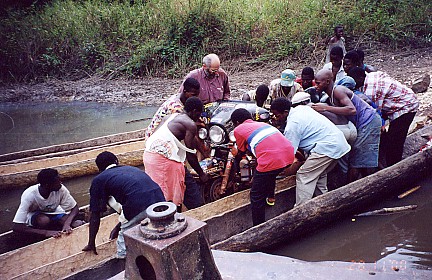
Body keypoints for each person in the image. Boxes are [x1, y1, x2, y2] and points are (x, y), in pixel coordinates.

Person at [82, 151, 165, 258]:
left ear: (100, 169)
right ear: (116, 161)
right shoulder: (131, 168)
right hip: (160, 200)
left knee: (124, 249)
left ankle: (123, 260)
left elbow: (95, 215)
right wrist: (119, 226)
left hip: (138, 205)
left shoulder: (99, 179)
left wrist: (91, 242)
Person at [270, 98, 350, 206]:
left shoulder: (293, 125)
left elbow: (288, 154)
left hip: (327, 147)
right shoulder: (301, 109)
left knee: (304, 175)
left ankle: (301, 210)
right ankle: (325, 204)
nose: (276, 118)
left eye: (277, 115)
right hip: (337, 143)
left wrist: (275, 171)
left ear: (285, 112)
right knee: (319, 174)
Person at [144, 77, 205, 210]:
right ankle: (194, 209)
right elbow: (190, 154)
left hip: (151, 150)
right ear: (194, 112)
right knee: (178, 181)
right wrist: (202, 174)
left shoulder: (178, 115)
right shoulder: (176, 109)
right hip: (161, 153)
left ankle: (175, 209)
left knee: (164, 187)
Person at [312, 69, 382, 182]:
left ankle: (350, 186)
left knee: (357, 156)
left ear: (328, 81)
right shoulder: (329, 96)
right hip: (363, 123)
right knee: (364, 155)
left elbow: (351, 110)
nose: (316, 86)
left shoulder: (338, 91)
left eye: (318, 83)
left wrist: (325, 108)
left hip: (369, 120)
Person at [231, 108, 295, 226]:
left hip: (272, 160)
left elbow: (241, 150)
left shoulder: (238, 129)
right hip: (289, 156)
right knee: (269, 175)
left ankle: (258, 226)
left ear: (237, 123)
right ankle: (271, 199)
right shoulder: (262, 124)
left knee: (255, 194)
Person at [349, 69, 419, 167]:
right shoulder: (369, 76)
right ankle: (388, 161)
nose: (353, 84)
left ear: (360, 78)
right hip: (401, 101)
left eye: (354, 81)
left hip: (406, 106)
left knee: (395, 141)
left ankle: (395, 168)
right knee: (390, 137)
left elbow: (374, 115)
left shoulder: (371, 90)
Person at [13, 168, 82, 238]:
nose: (61, 182)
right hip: (35, 215)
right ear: (47, 185)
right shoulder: (29, 195)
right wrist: (46, 232)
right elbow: (17, 226)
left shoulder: (61, 189)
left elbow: (75, 208)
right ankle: (43, 234)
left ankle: (56, 228)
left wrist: (67, 224)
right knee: (43, 220)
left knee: (75, 223)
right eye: (57, 181)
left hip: (54, 212)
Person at [292, 91, 357, 145]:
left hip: (342, 131)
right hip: (351, 128)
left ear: (303, 102)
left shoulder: (307, 109)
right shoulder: (322, 105)